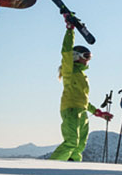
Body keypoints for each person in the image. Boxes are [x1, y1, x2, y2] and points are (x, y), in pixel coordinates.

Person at [48, 18, 112, 161]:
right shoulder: (69, 71)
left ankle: (72, 169)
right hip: (70, 110)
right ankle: (50, 167)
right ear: (76, 57)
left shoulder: (83, 76)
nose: (88, 59)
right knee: (71, 142)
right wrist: (70, 30)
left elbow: (83, 100)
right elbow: (65, 52)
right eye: (86, 56)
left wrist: (98, 113)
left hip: (82, 112)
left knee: (79, 146)